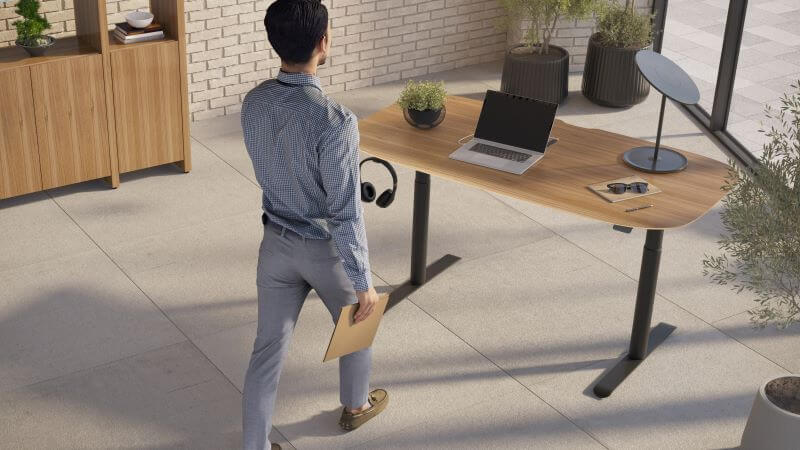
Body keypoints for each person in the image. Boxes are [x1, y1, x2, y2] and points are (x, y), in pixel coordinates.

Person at [240, 1, 388, 449]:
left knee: (266, 352)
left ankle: (255, 446)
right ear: (323, 43)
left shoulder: (254, 103)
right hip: (323, 251)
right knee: (361, 319)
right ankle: (356, 406)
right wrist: (364, 283)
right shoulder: (335, 121)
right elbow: (345, 211)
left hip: (275, 245)